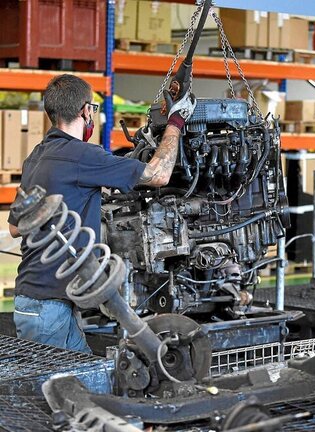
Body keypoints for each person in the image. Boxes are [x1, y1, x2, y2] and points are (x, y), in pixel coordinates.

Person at [8, 74, 196, 353]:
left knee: (84, 381)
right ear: (86, 111)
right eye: (92, 109)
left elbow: (15, 227)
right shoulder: (84, 155)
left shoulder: (36, 155)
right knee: (69, 390)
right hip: (50, 309)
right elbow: (159, 174)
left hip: (36, 299)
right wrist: (176, 123)